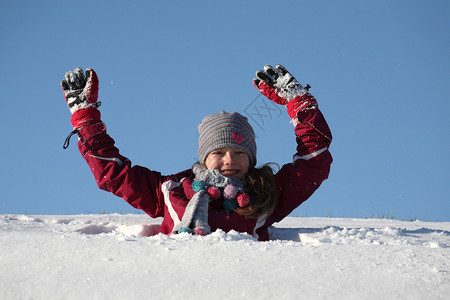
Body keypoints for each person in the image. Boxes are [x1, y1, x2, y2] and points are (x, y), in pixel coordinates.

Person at [60, 64, 332, 241]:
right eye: (219, 152)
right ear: (204, 157)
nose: (229, 160)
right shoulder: (171, 190)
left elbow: (313, 163)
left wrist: (300, 103)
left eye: (239, 152)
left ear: (251, 158)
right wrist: (86, 119)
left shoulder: (265, 195)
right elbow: (114, 174)